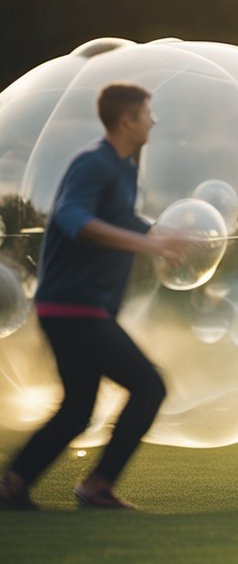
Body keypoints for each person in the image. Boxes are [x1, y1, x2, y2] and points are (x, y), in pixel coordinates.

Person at [0, 83, 188, 510]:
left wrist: (161, 235)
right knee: (149, 386)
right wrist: (150, 245)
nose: (153, 120)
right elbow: (71, 218)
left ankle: (13, 485)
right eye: (147, 113)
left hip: (84, 308)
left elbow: (121, 218)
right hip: (72, 308)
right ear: (128, 120)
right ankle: (96, 485)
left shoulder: (122, 168)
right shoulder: (92, 163)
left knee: (77, 409)